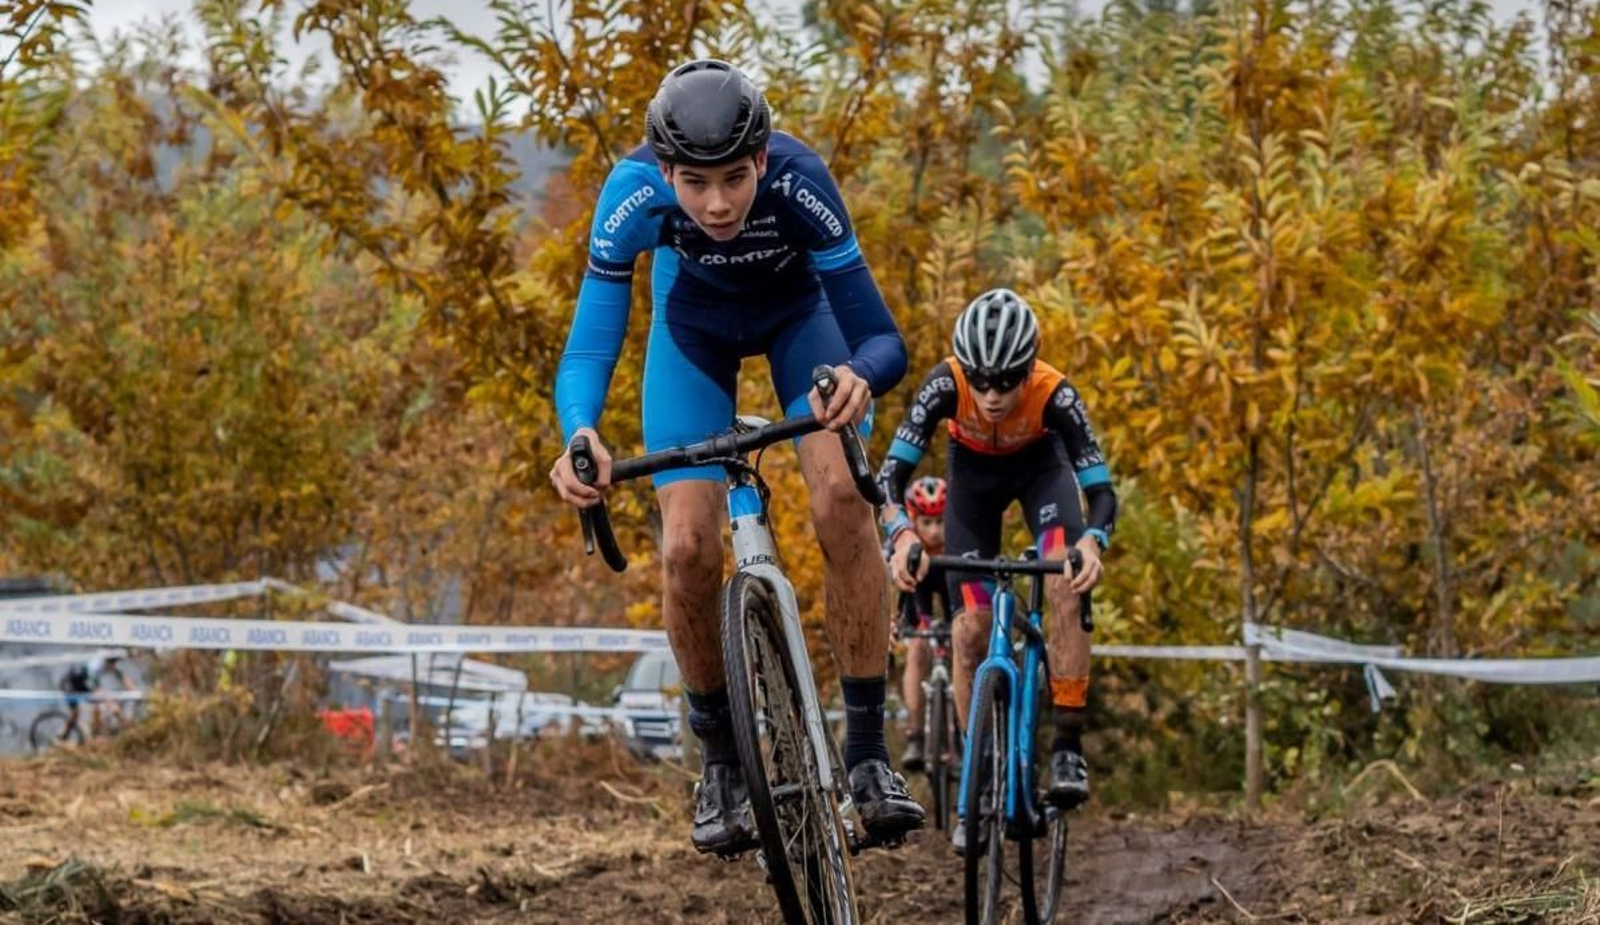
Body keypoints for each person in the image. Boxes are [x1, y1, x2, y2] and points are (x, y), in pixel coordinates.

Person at [547, 60, 925, 855]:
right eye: (694, 182)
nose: (716, 204)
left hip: (801, 325)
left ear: (760, 161)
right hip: (693, 338)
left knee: (841, 502)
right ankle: (720, 762)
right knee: (686, 545)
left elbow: (883, 338)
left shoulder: (800, 178)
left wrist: (858, 377)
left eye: (732, 179)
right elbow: (591, 343)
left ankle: (866, 754)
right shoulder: (631, 193)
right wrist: (580, 432)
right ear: (664, 172)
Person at [875, 288, 1118, 852]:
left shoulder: (1054, 393)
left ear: (1027, 368)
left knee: (1063, 580)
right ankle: (978, 764)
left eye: (1006, 381)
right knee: (970, 631)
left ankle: (1066, 747)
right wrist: (901, 533)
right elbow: (888, 479)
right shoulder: (944, 384)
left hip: (1042, 476)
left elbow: (1101, 493)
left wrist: (1095, 543)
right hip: (974, 488)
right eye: (980, 380)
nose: (990, 394)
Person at [887, 476, 952, 772]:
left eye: (940, 522)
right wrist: (895, 623)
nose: (935, 531)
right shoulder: (903, 546)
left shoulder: (960, 540)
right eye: (927, 522)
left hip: (952, 585)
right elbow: (894, 593)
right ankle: (915, 733)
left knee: (965, 642)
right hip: (918, 591)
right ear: (914, 520)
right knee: (917, 648)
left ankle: (966, 733)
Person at [59, 652, 132, 741]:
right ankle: (63, 735)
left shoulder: (110, 663)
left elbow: (123, 677)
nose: (114, 666)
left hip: (83, 683)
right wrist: (115, 709)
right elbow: (96, 688)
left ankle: (95, 731)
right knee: (76, 713)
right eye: (113, 663)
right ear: (108, 662)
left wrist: (135, 692)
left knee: (98, 704)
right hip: (71, 684)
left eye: (115, 663)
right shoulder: (96, 666)